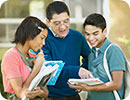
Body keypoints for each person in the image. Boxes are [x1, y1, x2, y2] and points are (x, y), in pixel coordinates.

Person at [38, 1, 92, 100]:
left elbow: (89, 57)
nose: (63, 27)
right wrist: (77, 70)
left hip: (74, 95)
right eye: (57, 23)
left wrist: (80, 79)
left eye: (66, 21)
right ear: (48, 22)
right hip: (51, 96)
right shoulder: (43, 40)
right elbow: (50, 69)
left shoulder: (77, 37)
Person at [68, 13, 126, 100]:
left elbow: (117, 84)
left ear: (105, 31)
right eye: (87, 34)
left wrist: (90, 88)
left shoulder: (113, 50)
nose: (91, 38)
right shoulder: (91, 53)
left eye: (95, 34)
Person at [1, 16, 49, 100]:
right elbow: (21, 94)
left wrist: (40, 93)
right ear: (30, 35)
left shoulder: (33, 56)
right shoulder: (11, 57)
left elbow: (46, 92)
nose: (43, 43)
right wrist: (36, 68)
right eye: (42, 38)